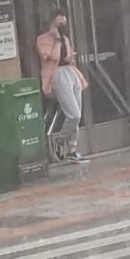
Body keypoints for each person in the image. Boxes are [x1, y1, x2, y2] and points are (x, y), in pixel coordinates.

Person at [35, 13, 89, 164]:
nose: (61, 29)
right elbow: (51, 58)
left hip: (70, 71)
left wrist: (70, 57)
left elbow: (68, 56)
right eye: (58, 25)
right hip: (57, 74)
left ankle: (72, 149)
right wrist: (56, 41)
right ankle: (59, 139)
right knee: (74, 114)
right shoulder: (43, 39)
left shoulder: (66, 39)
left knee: (77, 110)